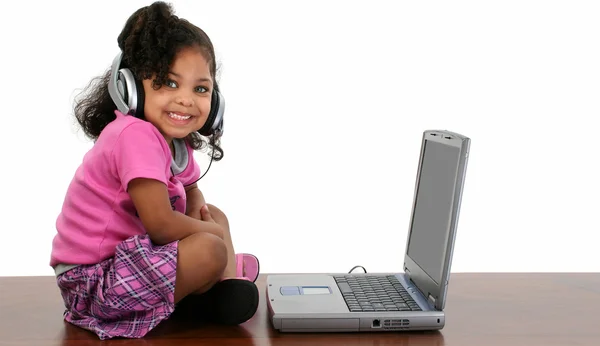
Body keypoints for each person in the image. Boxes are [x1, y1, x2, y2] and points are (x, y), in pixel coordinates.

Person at [49, 1, 260, 340]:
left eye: (201, 88)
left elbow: (192, 192)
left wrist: (205, 221)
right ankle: (214, 282)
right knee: (209, 245)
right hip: (93, 282)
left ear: (215, 102)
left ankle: (222, 285)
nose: (187, 99)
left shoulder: (174, 144)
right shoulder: (134, 135)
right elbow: (161, 226)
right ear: (131, 88)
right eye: (169, 83)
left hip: (126, 266)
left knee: (213, 215)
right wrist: (213, 239)